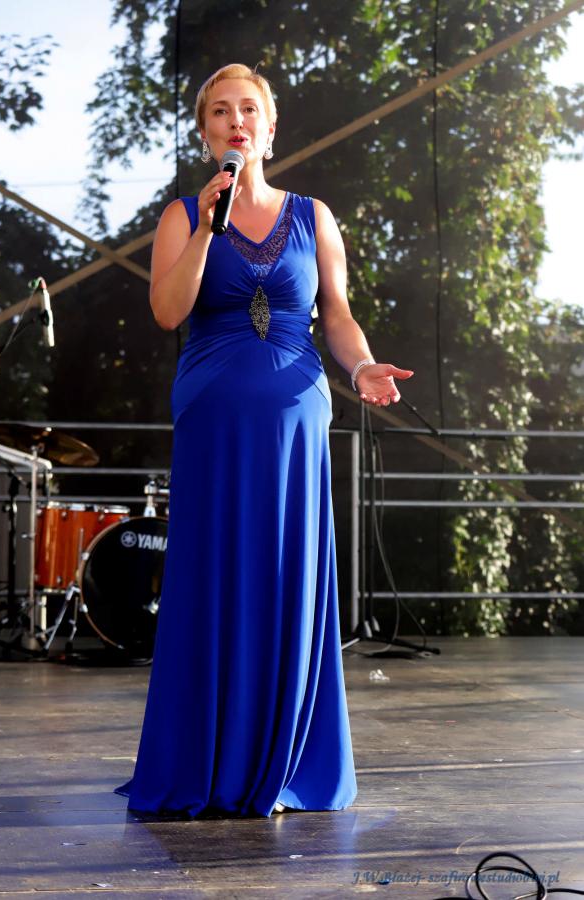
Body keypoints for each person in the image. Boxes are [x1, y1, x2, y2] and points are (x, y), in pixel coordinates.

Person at [114, 63, 413, 819]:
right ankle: (208, 757)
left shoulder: (314, 216)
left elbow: (336, 315)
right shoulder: (182, 215)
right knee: (214, 575)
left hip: (295, 419)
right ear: (205, 132)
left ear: (270, 128)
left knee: (286, 574)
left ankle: (286, 758)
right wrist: (206, 228)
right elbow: (168, 311)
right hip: (213, 422)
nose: (236, 121)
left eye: (249, 109)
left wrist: (362, 365)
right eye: (220, 111)